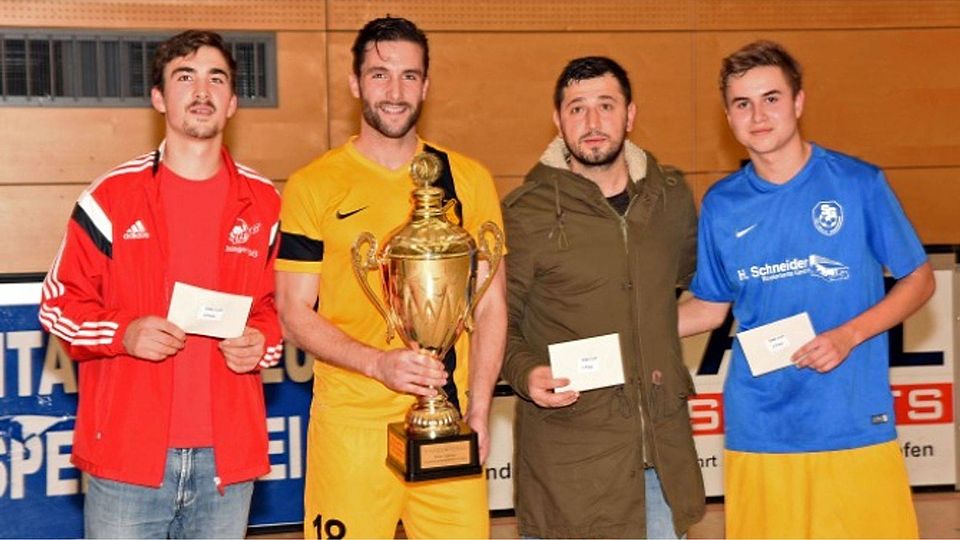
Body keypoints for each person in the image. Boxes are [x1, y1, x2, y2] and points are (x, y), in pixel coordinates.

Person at [679, 40, 933, 538]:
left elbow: (918, 280)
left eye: (771, 98)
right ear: (728, 117)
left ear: (798, 103)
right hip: (760, 428)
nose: (758, 115)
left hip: (852, 419)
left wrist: (847, 336)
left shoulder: (858, 183)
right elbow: (709, 307)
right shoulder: (721, 204)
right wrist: (621, 331)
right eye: (742, 103)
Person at [38, 30, 282, 538]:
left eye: (216, 78)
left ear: (233, 102)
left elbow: (276, 309)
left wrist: (264, 341)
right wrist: (122, 334)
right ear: (158, 98)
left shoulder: (265, 205)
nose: (201, 90)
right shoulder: (112, 197)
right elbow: (58, 305)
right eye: (184, 76)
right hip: (129, 460)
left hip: (227, 462)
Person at [275, 16, 506, 539]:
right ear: (355, 83)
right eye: (380, 75)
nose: (395, 91)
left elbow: (490, 304)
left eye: (409, 76)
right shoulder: (313, 185)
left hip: (448, 420)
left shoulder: (466, 179)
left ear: (426, 84)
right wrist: (377, 363)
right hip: (352, 426)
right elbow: (292, 313)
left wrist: (480, 408)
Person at [499, 56, 705, 538]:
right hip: (569, 470)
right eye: (577, 109)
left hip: (659, 464)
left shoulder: (671, 198)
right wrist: (526, 373)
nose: (592, 123)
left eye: (606, 106)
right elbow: (494, 322)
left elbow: (709, 291)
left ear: (630, 115)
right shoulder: (523, 215)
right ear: (558, 120)